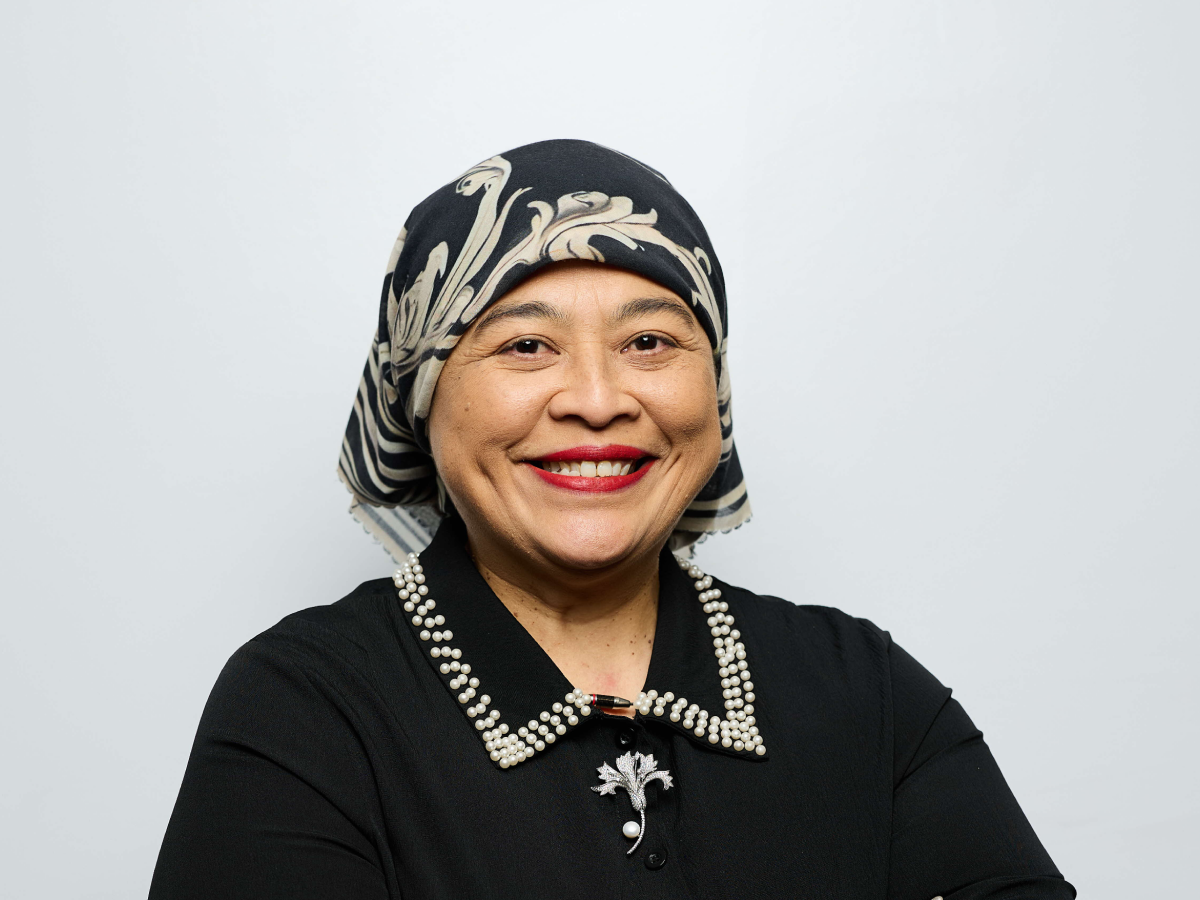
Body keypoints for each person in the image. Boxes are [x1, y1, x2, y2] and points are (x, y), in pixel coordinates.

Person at [149, 139, 1075, 899]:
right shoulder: (306, 711)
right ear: (422, 400)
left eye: (649, 342)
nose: (597, 400)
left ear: (713, 393)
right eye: (525, 345)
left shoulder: (866, 694)